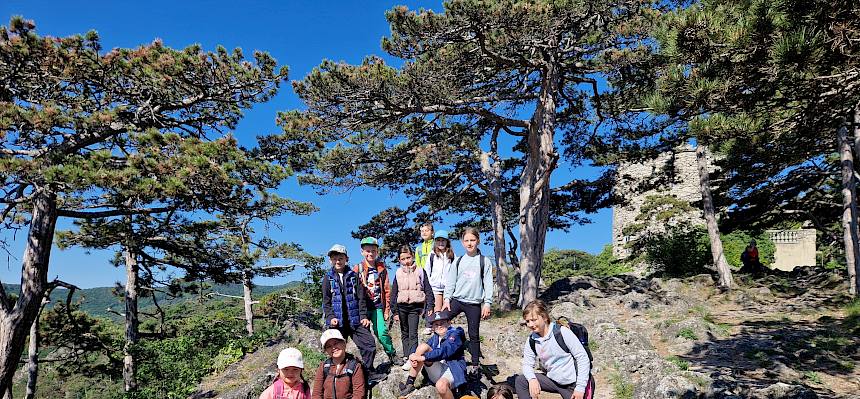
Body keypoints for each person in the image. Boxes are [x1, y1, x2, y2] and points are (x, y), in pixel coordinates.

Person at [321, 243, 380, 377]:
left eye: (340, 258)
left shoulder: (354, 276)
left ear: (346, 259)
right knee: (337, 351)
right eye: (335, 258)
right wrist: (330, 317)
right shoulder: (327, 278)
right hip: (338, 323)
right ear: (331, 260)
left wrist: (364, 316)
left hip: (355, 320)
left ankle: (368, 372)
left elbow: (361, 298)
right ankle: (338, 377)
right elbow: (326, 301)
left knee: (369, 345)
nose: (338, 261)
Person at [514, 300, 594, 399]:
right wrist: (532, 379)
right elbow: (527, 364)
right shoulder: (532, 340)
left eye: (534, 320)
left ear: (544, 317)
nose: (530, 324)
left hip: (574, 383)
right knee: (521, 381)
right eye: (527, 321)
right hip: (554, 381)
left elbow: (582, 358)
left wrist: (580, 388)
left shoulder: (561, 332)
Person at [442, 227, 494, 372]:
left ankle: (476, 364)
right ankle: (440, 353)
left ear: (478, 241)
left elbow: (488, 283)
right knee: (440, 321)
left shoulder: (485, 262)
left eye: (472, 240)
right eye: (466, 240)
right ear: (462, 242)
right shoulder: (458, 261)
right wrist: (447, 299)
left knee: (474, 333)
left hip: (474, 304)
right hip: (457, 300)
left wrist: (487, 303)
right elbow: (451, 281)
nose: (469, 243)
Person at [398, 311, 468, 399]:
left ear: (449, 323)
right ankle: (409, 384)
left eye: (442, 323)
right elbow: (424, 351)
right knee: (423, 347)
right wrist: (415, 358)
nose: (439, 326)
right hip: (437, 370)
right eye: (436, 324)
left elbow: (445, 351)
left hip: (452, 372)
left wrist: (422, 358)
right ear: (433, 327)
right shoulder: (435, 337)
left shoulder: (455, 334)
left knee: (441, 386)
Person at [353, 237, 397, 365]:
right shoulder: (358, 269)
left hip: (378, 306)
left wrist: (387, 309)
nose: (370, 253)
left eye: (373, 250)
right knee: (366, 339)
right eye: (367, 251)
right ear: (362, 252)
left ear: (377, 251)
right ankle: (368, 366)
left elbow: (387, 290)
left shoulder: (381, 269)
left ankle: (392, 354)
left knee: (382, 332)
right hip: (363, 309)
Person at [390, 245, 435, 370]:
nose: (406, 261)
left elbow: (428, 288)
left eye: (408, 258)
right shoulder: (398, 273)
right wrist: (394, 311)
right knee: (404, 332)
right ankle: (406, 356)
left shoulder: (420, 271)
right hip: (401, 307)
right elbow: (394, 292)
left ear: (413, 256)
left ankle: (412, 357)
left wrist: (430, 305)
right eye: (403, 259)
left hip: (415, 307)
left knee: (413, 333)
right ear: (399, 260)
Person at [312, 329, 366, 399]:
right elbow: (316, 394)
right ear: (326, 350)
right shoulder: (323, 367)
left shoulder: (355, 366)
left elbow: (359, 395)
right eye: (329, 346)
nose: (333, 348)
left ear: (344, 343)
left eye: (336, 343)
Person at [427, 229, 455, 314]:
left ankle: (446, 327)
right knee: (437, 313)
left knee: (446, 312)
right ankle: (435, 327)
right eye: (438, 240)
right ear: (435, 242)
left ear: (447, 242)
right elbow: (427, 271)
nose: (441, 243)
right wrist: (428, 287)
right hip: (435, 288)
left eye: (443, 240)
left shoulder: (452, 255)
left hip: (447, 288)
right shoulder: (432, 255)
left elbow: (455, 272)